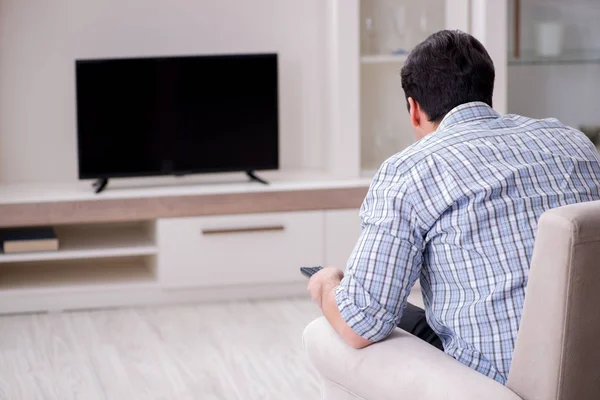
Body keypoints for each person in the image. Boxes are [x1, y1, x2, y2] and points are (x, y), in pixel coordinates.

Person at [307, 29, 600, 384]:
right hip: (587, 364)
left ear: (414, 110)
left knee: (340, 324)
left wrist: (327, 283)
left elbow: (360, 325)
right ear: (487, 90)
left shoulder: (410, 170)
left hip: (502, 380)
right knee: (407, 314)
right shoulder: (572, 142)